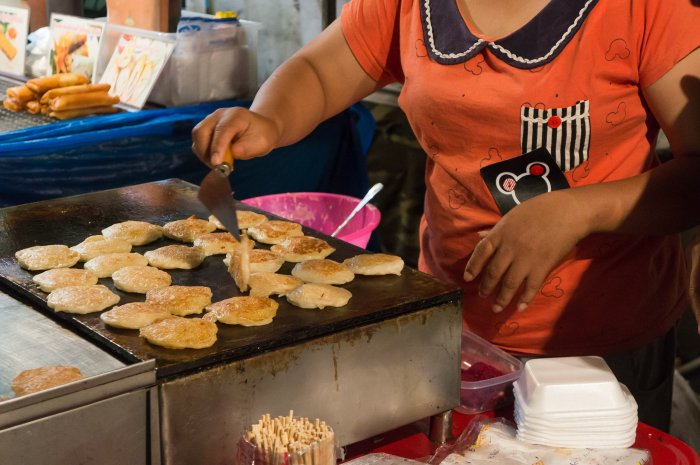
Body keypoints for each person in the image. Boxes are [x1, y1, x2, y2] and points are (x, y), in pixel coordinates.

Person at [192, 0, 700, 431]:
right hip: (456, 335)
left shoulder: (644, 9)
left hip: (604, 349)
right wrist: (270, 118)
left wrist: (580, 212)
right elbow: (321, 72)